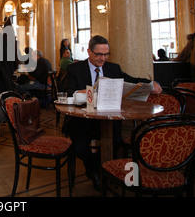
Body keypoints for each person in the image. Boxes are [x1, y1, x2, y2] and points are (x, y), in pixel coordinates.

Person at [62, 35, 162, 191]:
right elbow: (67, 92)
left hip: (109, 118)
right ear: (89, 52)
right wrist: (87, 92)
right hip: (83, 118)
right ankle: (94, 169)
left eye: (106, 54)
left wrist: (152, 83)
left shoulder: (113, 68)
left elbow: (132, 80)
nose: (103, 58)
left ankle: (104, 171)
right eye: (99, 54)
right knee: (80, 146)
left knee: (115, 142)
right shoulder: (75, 69)